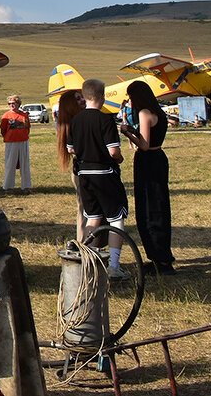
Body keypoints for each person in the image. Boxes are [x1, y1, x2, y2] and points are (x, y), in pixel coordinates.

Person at [67, 79, 131, 280]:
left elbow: (71, 149)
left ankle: (90, 261)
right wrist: (119, 158)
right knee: (116, 218)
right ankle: (114, 265)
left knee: (93, 217)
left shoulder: (75, 121)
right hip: (105, 174)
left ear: (85, 98)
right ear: (102, 97)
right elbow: (114, 152)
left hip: (84, 174)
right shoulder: (105, 120)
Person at [120, 81, 176, 275]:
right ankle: (161, 256)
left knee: (149, 207)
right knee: (160, 204)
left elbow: (143, 145)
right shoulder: (157, 112)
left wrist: (127, 133)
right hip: (158, 157)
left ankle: (159, 257)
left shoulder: (144, 113)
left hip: (147, 160)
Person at [54, 89, 86, 241]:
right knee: (85, 209)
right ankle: (84, 243)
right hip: (84, 170)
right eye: (78, 98)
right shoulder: (77, 124)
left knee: (83, 209)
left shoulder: (69, 125)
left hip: (79, 169)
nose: (83, 100)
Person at [0, 94, 33, 193]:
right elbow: (3, 129)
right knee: (10, 164)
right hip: (11, 142)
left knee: (25, 163)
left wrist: (24, 136)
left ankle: (26, 186)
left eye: (13, 103)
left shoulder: (24, 115)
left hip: (23, 141)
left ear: (18, 104)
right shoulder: (6, 115)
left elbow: (28, 128)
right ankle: (8, 187)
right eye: (9, 103)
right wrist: (7, 137)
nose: (11, 105)